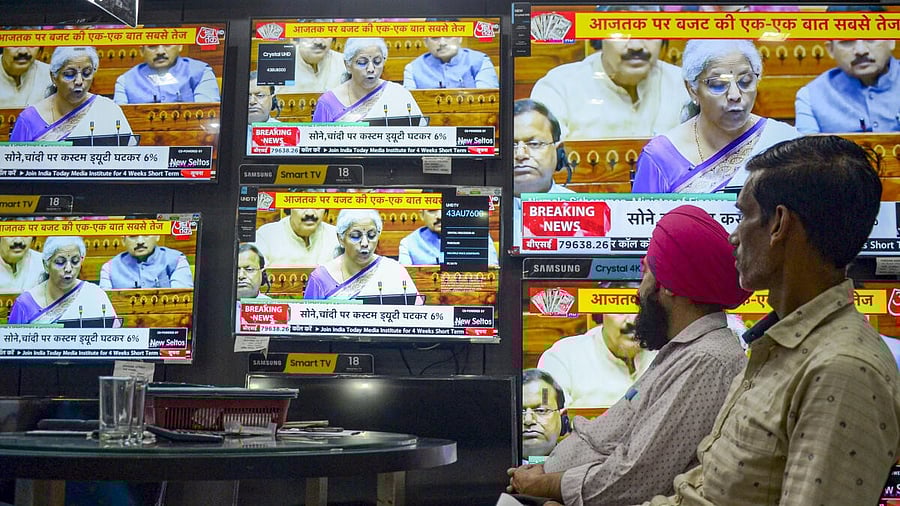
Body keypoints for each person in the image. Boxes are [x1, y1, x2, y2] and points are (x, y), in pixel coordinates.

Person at [642, 136, 899, 505]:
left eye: (744, 216)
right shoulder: (779, 347)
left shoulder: (843, 370)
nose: (733, 237)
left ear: (778, 224)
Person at [504, 205, 752, 506]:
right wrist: (544, 473)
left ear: (670, 286)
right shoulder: (683, 350)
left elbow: (638, 478)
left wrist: (546, 485)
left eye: (645, 271)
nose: (638, 292)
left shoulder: (707, 361)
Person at [632, 39, 799, 194]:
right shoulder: (660, 157)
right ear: (692, 90)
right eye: (718, 85)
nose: (735, 95)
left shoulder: (784, 141)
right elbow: (642, 223)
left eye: (745, 81)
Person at [529, 6, 687, 140]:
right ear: (599, 37)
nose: (636, 46)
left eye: (649, 30)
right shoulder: (558, 87)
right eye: (621, 31)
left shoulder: (686, 85)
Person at [537, 308, 657, 409]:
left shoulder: (665, 353)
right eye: (619, 309)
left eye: (641, 309)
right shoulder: (562, 357)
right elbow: (547, 420)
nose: (633, 320)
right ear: (601, 314)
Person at [9, 46, 134, 143]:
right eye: (70, 74)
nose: (79, 81)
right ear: (54, 77)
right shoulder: (29, 119)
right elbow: (13, 168)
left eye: (86, 73)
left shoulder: (108, 110)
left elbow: (129, 159)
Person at [303, 209, 419, 302]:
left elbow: (415, 315)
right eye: (355, 236)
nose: (364, 243)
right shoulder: (321, 278)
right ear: (341, 239)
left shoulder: (393, 270)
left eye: (371, 235)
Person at [795, 38, 899, 133]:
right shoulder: (811, 96)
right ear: (830, 49)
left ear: (891, 41)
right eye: (847, 42)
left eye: (870, 39)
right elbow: (807, 150)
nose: (861, 51)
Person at [311, 38, 425, 124]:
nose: (371, 69)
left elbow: (420, 137)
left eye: (377, 61)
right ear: (348, 65)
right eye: (362, 62)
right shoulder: (328, 102)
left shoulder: (399, 94)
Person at [8, 236, 118, 325]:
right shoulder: (25, 304)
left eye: (75, 261)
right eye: (60, 262)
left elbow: (113, 339)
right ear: (46, 265)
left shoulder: (95, 295)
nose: (68, 269)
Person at [513, 99, 574, 247]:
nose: (520, 154)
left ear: (558, 150)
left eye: (534, 144)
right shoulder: (481, 211)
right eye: (511, 145)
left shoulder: (585, 209)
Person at [113, 44, 220, 104]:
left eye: (167, 45)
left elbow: (207, 115)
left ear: (180, 46)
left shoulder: (201, 72)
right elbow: (121, 123)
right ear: (141, 51)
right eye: (152, 46)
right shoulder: (125, 81)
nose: (160, 51)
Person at [397, 208, 499, 266]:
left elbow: (492, 275)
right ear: (422, 214)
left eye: (446, 209)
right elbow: (405, 282)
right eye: (432, 210)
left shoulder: (480, 237)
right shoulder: (408, 244)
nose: (440, 216)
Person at [98, 235, 193, 289]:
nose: (140, 241)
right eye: (133, 236)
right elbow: (106, 308)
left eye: (146, 234)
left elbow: (182, 302)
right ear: (123, 240)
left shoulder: (177, 260)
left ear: (157, 236)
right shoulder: (109, 268)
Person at [402, 36, 498, 89]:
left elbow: (488, 104)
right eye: (435, 37)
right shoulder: (413, 69)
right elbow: (410, 108)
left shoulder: (480, 61)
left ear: (460, 37)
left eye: (448, 36)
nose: (442, 43)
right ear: (425, 41)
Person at [254, 208, 339, 266]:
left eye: (317, 205)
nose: (310, 213)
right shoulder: (266, 236)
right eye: (302, 205)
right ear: (289, 208)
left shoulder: (338, 237)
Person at [522, 369, 568, 460]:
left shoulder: (580, 466)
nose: (528, 420)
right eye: (520, 412)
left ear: (562, 418)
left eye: (541, 410)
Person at [275, 36, 345, 94]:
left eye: (325, 35)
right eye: (311, 35)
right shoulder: (279, 62)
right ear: (296, 38)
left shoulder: (345, 63)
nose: (318, 42)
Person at [247, 71, 280, 148]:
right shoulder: (231, 132)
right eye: (247, 96)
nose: (252, 101)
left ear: (273, 99)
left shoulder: (285, 131)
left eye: (260, 95)